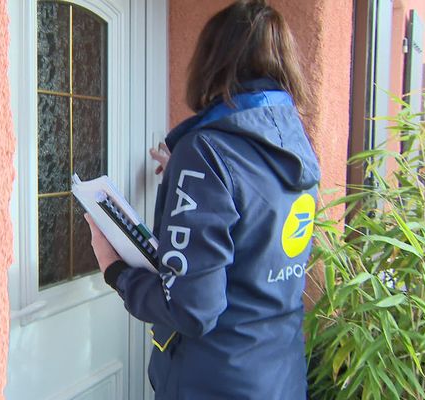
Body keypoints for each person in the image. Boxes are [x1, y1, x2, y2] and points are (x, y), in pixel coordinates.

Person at [84, 1, 320, 398]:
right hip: (280, 375)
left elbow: (192, 309)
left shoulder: (208, 153)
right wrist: (189, 170)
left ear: (213, 60)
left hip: (214, 382)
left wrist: (114, 271)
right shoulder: (295, 147)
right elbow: (255, 225)